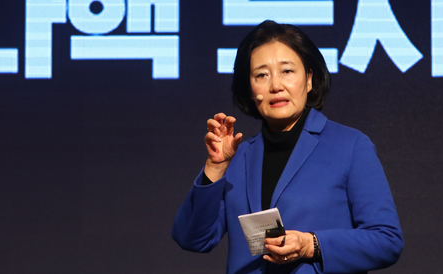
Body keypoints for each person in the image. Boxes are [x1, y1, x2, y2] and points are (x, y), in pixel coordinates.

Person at [172, 20, 403, 274]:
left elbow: (387, 240)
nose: (275, 86)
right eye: (262, 75)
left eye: (287, 71)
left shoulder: (350, 146)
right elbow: (192, 239)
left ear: (309, 79)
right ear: (250, 89)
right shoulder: (238, 158)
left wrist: (311, 245)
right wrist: (215, 168)